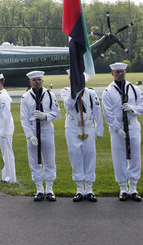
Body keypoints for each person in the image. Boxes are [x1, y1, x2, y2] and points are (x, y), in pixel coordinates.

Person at [102, 62, 143, 201]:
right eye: (118, 72)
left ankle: (133, 187)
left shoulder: (134, 89)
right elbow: (108, 113)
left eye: (122, 72)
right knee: (119, 158)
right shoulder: (108, 91)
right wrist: (117, 128)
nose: (120, 74)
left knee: (135, 156)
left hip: (132, 125)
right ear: (112, 74)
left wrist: (132, 108)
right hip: (117, 128)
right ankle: (123, 188)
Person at [60, 70, 104, 202]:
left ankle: (89, 189)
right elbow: (68, 105)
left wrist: (99, 130)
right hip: (73, 127)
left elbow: (97, 111)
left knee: (90, 155)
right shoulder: (66, 91)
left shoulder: (91, 93)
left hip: (88, 126)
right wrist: (76, 91)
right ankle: (79, 189)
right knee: (75, 156)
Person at [20, 70, 60, 201]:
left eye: (39, 80)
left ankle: (49, 189)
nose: (37, 82)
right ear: (30, 82)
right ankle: (39, 189)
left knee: (49, 160)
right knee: (34, 161)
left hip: (46, 128)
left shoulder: (50, 95)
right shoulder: (25, 97)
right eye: (34, 80)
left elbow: (57, 113)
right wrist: (30, 136)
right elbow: (24, 119)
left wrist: (46, 116)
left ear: (42, 81)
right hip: (32, 129)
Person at [0, 74, 17, 183]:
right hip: (1, 129)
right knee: (5, 154)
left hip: (4, 130)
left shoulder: (3, 97)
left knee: (8, 154)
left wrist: (4, 132)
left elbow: (6, 116)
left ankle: (11, 178)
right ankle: (6, 176)